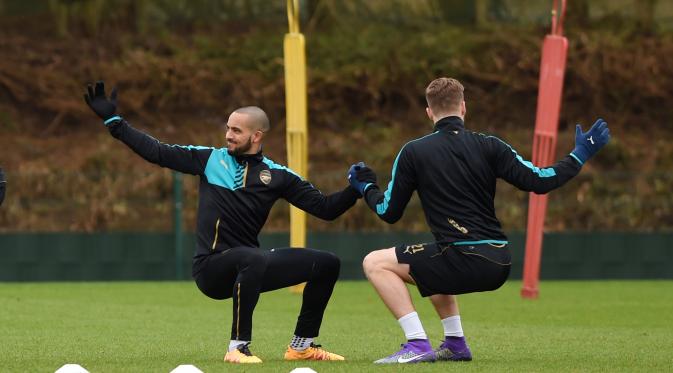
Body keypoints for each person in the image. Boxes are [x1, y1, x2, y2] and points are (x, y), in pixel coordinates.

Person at [84, 81, 360, 364]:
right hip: (211, 269)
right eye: (228, 128)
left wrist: (355, 189)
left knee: (327, 263)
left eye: (236, 131)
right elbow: (157, 151)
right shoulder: (209, 160)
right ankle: (238, 349)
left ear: (256, 136)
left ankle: (301, 347)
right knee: (252, 257)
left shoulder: (278, 175)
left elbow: (326, 209)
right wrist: (114, 122)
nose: (228, 135)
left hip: (251, 267)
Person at [347, 77, 610, 364]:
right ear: (463, 107)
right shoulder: (490, 145)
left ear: (428, 112)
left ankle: (417, 344)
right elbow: (540, 180)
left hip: (464, 259)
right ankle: (456, 345)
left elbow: (388, 211)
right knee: (430, 259)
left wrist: (366, 188)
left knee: (374, 262)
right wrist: (580, 153)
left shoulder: (413, 151)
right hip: (499, 260)